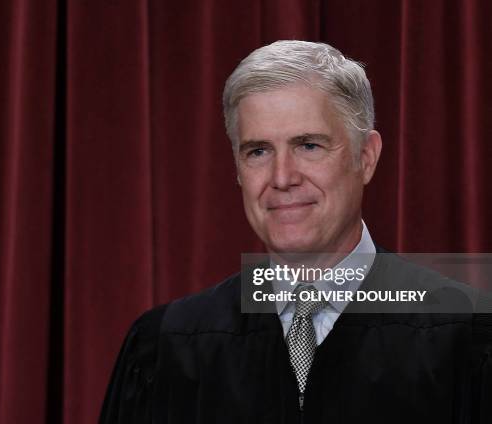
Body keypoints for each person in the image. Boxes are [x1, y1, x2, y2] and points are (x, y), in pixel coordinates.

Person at [100, 40, 492, 423]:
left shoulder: (465, 337)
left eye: (308, 146)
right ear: (237, 170)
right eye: (258, 151)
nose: (282, 177)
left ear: (366, 157)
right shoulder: (169, 347)